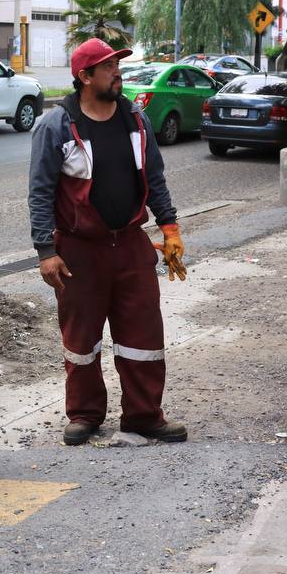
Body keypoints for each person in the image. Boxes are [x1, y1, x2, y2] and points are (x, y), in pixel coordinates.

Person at [28, 38, 188, 446]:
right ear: (84, 77)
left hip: (130, 245)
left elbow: (154, 177)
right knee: (81, 338)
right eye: (108, 67)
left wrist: (169, 228)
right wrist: (46, 252)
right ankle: (84, 415)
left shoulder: (135, 118)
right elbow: (40, 191)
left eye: (118, 65)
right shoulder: (57, 125)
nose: (118, 73)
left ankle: (144, 415)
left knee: (143, 334)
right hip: (79, 249)